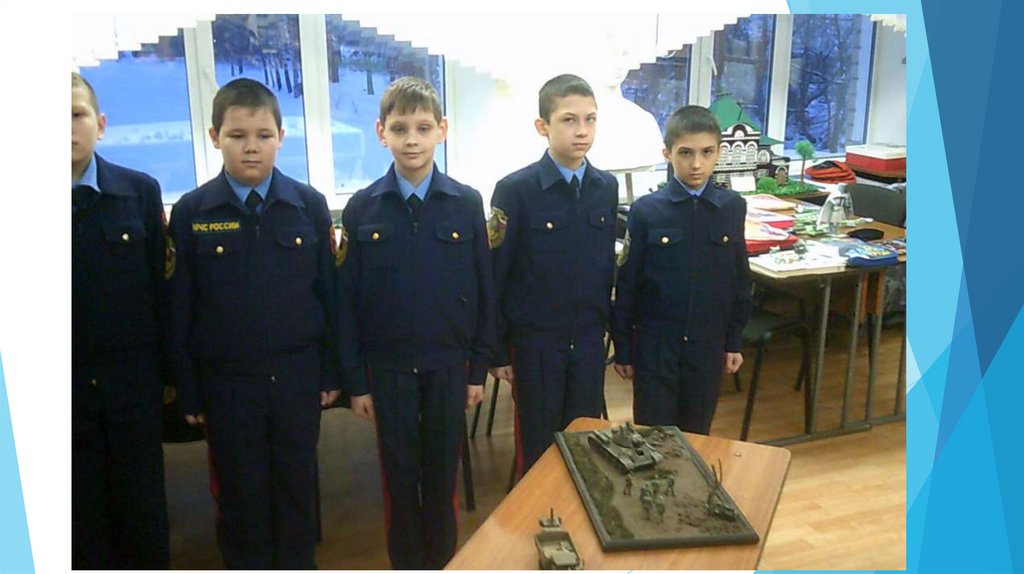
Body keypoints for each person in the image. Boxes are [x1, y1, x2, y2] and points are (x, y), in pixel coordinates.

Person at [166, 78, 341, 569]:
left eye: (263, 135)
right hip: (228, 383)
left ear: (281, 136)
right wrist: (188, 388)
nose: (251, 147)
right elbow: (180, 307)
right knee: (240, 494)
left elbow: (329, 297)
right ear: (214, 137)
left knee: (296, 488)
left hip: (297, 377)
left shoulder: (307, 205)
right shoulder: (192, 212)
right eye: (237, 135)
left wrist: (330, 372)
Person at [336, 76, 496, 570]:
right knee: (399, 479)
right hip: (388, 369)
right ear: (381, 132)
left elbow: (485, 291)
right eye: (400, 128)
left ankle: (442, 562)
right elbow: (347, 303)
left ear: (441, 131)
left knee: (442, 474)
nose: (412, 140)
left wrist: (477, 371)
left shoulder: (466, 202)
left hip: (448, 365)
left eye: (423, 128)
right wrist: (356, 382)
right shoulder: (363, 207)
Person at [488, 74, 619, 476]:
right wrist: (497, 351)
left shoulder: (605, 186)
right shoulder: (516, 190)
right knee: (539, 448)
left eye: (590, 119)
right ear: (542, 126)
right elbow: (496, 277)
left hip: (588, 339)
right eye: (569, 120)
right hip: (536, 343)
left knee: (585, 444)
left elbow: (604, 267)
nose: (582, 131)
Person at [71, 71, 170, 570]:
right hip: (61, 390)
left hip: (132, 384)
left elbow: (160, 290)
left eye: (76, 115)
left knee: (142, 509)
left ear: (101, 123)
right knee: (78, 516)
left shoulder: (139, 192)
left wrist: (169, 376)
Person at [612, 105, 752, 434]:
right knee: (653, 435)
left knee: (697, 432)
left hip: (707, 344)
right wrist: (623, 349)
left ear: (719, 153)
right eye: (686, 153)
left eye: (707, 152)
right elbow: (628, 284)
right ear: (668, 153)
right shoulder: (647, 211)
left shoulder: (732, 207)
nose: (696, 164)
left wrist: (733, 341)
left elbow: (739, 281)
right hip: (656, 345)